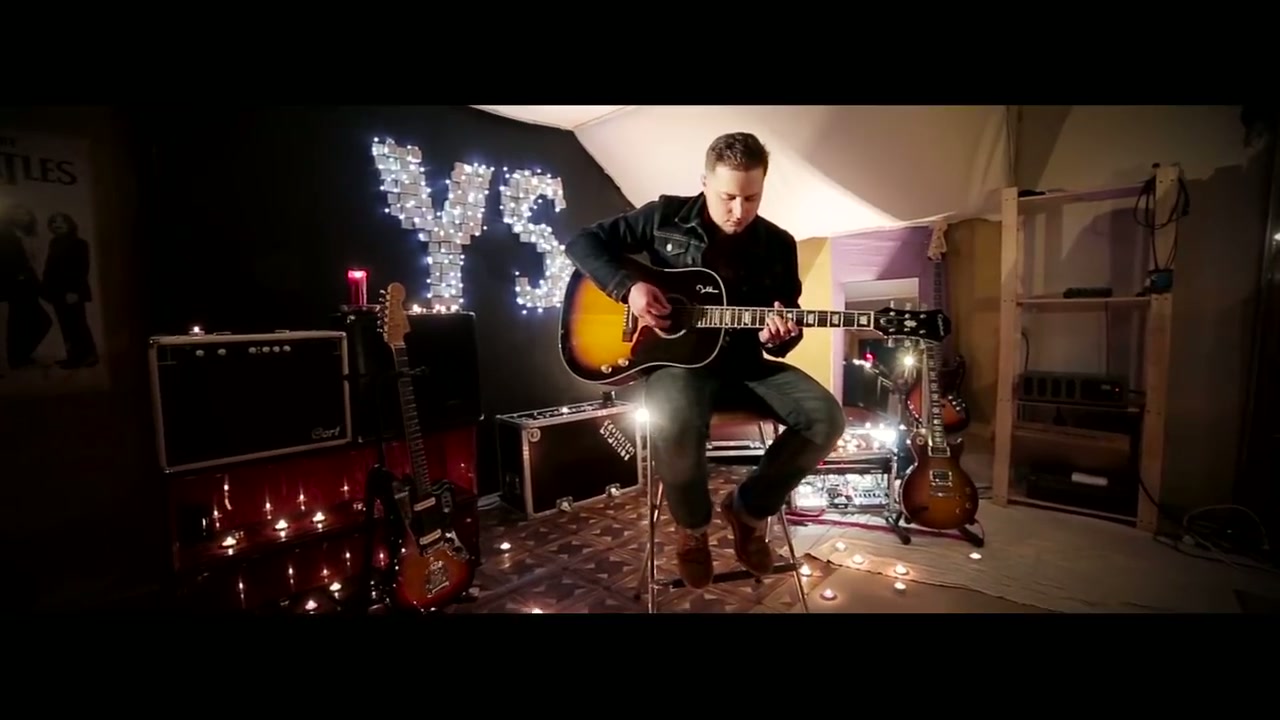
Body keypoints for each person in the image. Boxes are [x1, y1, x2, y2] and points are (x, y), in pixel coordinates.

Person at [564, 132, 846, 589]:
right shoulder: (665, 217)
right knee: (674, 416)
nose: (739, 210)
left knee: (826, 418)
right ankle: (692, 530)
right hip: (679, 367)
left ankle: (748, 510)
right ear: (705, 183)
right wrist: (628, 288)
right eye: (728, 197)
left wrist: (778, 336)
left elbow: (783, 325)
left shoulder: (778, 244)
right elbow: (582, 242)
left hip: (745, 365)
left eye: (751, 198)